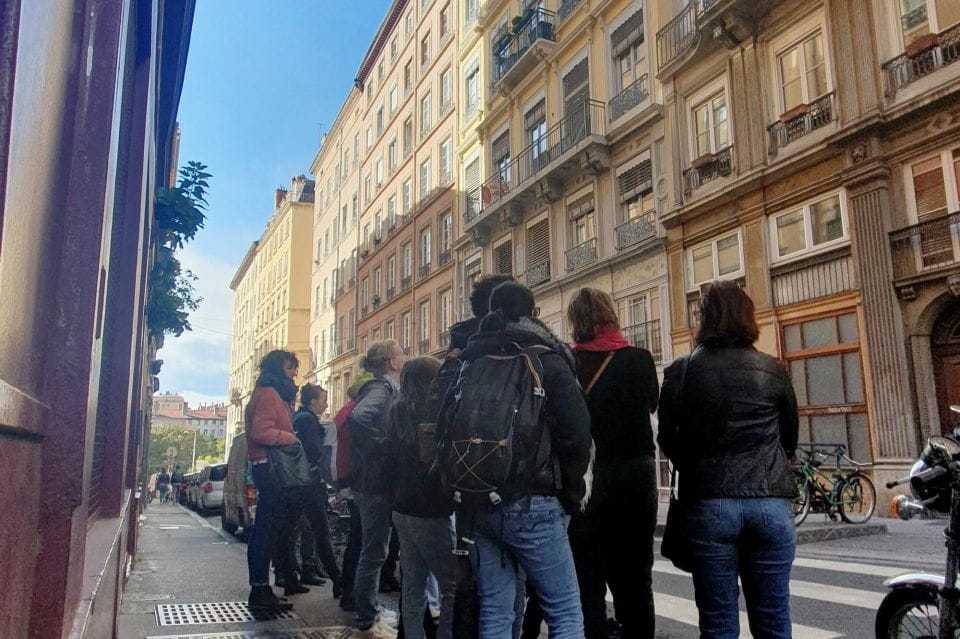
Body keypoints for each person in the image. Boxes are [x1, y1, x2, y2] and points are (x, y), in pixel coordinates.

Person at [441, 281, 593, 639]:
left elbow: (444, 428)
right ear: (534, 313)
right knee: (565, 610)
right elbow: (577, 434)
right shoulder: (546, 359)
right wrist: (572, 494)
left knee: (495, 607)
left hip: (479, 502)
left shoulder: (469, 361)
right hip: (535, 501)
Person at [657, 280, 799, 639]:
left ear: (703, 319)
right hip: (770, 501)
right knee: (774, 620)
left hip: (709, 502)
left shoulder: (682, 370)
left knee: (718, 622)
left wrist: (694, 461)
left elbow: (665, 435)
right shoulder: (773, 369)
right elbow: (790, 437)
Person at [566, 288, 659, 639]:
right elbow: (651, 403)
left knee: (587, 578)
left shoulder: (566, 363)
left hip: (586, 482)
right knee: (636, 576)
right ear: (611, 315)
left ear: (575, 322)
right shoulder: (639, 359)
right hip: (635, 477)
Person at [386, 356, 456, 639]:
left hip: (402, 506)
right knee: (452, 584)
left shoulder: (397, 410)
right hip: (430, 506)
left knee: (413, 586)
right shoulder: (433, 410)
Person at [349, 340, 408, 639]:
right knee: (374, 552)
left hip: (372, 482)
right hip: (375, 483)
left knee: (375, 550)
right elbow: (359, 418)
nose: (405, 357)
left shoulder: (383, 389)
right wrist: (383, 446)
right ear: (391, 362)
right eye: (401, 354)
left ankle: (368, 613)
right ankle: (366, 617)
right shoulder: (380, 390)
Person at [244, 349, 302, 611]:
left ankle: (263, 589)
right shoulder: (268, 394)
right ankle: (259, 590)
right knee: (266, 529)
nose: (293, 374)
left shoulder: (272, 393)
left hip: (269, 466)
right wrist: (290, 438)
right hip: (269, 466)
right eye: (289, 369)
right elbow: (261, 431)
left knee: (268, 528)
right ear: (278, 369)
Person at [276, 383, 343, 595]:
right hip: (308, 485)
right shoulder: (307, 421)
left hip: (296, 483)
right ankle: (338, 581)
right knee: (320, 530)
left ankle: (289, 577)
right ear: (313, 401)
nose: (326, 403)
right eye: (323, 399)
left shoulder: (299, 418)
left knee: (289, 531)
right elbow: (315, 453)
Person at [335, 371, 373, 612]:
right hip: (360, 480)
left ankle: (347, 589)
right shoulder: (357, 413)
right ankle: (352, 594)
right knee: (363, 541)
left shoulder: (344, 411)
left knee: (357, 539)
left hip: (349, 479)